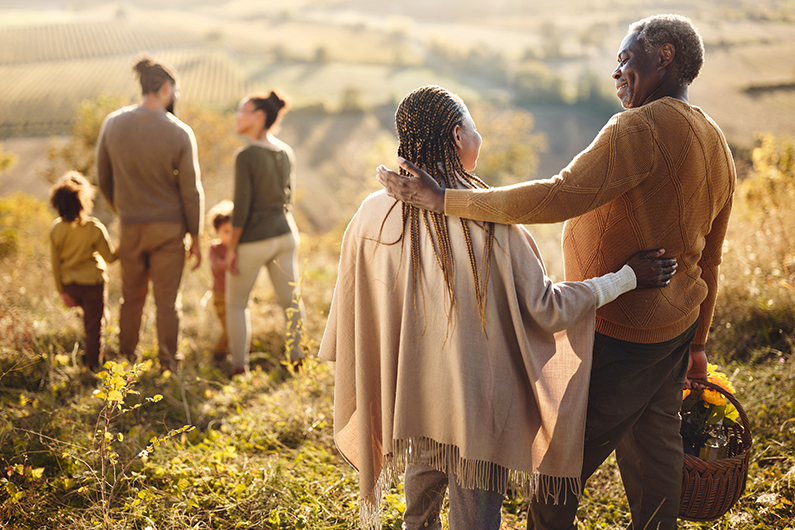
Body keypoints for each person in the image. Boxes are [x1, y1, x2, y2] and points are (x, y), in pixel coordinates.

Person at [376, 15, 736, 530]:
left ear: (664, 54)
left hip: (621, 330)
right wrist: (697, 343)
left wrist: (446, 199)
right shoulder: (716, 140)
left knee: (558, 467)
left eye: (626, 57)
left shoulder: (639, 128)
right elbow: (713, 259)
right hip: (674, 329)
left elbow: (558, 194)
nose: (617, 70)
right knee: (657, 454)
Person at [320, 85, 676, 530]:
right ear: (456, 136)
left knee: (418, 515)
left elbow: (355, 308)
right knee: (475, 520)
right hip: (476, 410)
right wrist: (625, 278)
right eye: (473, 126)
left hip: (412, 397)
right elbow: (549, 309)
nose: (478, 136)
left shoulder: (372, 214)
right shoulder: (493, 227)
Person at [96, 55, 204, 372]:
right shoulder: (180, 132)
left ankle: (125, 361)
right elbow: (191, 191)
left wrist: (124, 211)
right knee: (167, 301)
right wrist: (195, 236)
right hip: (169, 231)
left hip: (130, 227)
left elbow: (103, 178)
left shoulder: (113, 124)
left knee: (131, 298)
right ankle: (169, 365)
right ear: (166, 88)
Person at [226, 90, 306, 377]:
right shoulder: (285, 151)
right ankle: (298, 358)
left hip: (254, 238)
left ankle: (239, 367)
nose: (237, 116)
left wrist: (231, 248)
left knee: (236, 304)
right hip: (286, 234)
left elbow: (241, 208)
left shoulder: (246, 155)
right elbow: (289, 198)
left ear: (259, 116)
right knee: (291, 302)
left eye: (242, 111)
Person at [49, 171, 118, 370]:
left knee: (89, 322)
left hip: (70, 286)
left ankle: (88, 354)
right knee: (95, 327)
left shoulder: (56, 229)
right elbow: (111, 258)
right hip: (92, 285)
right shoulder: (94, 228)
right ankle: (93, 367)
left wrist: (62, 291)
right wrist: (123, 249)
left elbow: (55, 265)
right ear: (84, 200)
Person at [208, 200, 233, 363]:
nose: (229, 236)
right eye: (225, 231)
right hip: (220, 294)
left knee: (235, 325)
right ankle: (218, 355)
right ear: (217, 230)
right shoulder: (215, 248)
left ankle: (228, 352)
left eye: (232, 232)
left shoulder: (237, 247)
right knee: (229, 327)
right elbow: (216, 265)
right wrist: (229, 264)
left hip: (236, 294)